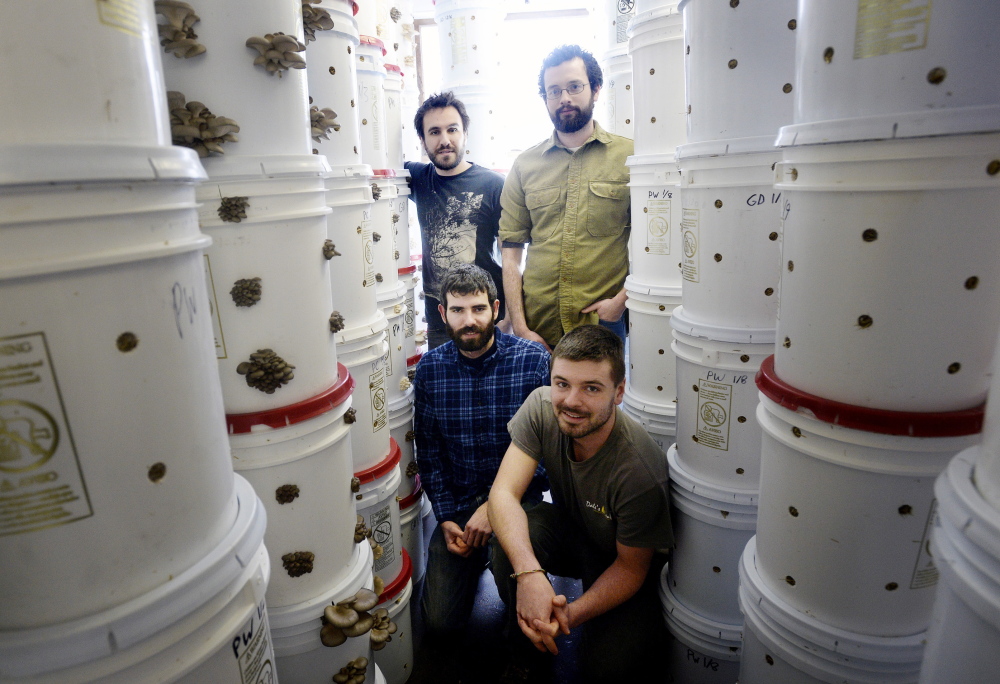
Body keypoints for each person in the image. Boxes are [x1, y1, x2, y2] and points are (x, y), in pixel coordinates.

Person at [488, 325, 672, 683]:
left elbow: (632, 570)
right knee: (511, 540)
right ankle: (528, 651)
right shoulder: (542, 408)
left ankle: (553, 629)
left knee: (606, 670)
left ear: (618, 393)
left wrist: (569, 615)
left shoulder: (639, 472)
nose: (571, 401)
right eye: (562, 384)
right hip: (575, 533)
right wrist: (529, 575)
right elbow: (503, 494)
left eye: (591, 388)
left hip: (622, 563)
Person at [412, 263, 551, 681]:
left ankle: (522, 650)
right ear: (442, 314)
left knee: (517, 574)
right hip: (458, 505)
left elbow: (547, 454)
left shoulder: (532, 362)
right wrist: (449, 517)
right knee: (439, 622)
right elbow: (430, 453)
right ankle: (471, 563)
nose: (468, 320)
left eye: (477, 309)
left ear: (494, 308)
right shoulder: (430, 370)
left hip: (521, 500)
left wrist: (496, 508)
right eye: (457, 310)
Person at [499, 45, 633, 351]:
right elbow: (510, 254)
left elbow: (655, 246)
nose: (564, 99)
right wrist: (519, 326)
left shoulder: (630, 158)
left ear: (596, 89)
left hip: (601, 322)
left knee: (596, 399)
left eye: (574, 87)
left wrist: (620, 302)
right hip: (537, 326)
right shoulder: (524, 165)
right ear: (545, 98)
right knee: (539, 400)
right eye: (554, 91)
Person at [405, 91, 507, 349]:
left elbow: (511, 258)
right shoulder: (417, 178)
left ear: (464, 134)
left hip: (487, 317)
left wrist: (511, 319)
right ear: (422, 139)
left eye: (452, 129)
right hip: (441, 321)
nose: (445, 140)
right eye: (434, 132)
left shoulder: (493, 185)